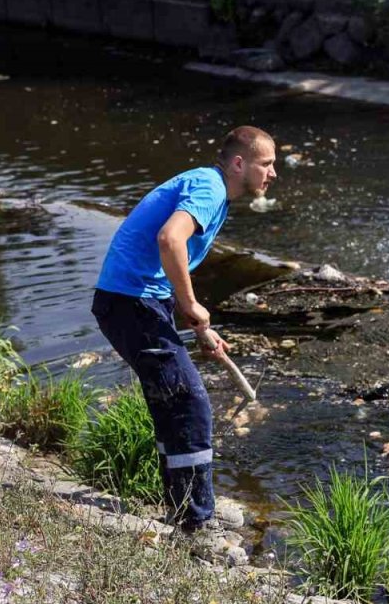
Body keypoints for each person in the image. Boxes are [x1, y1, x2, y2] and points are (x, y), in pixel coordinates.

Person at [91, 125, 277, 533]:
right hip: (129, 302)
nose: (273, 173)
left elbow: (162, 269)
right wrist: (192, 303)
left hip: (135, 301)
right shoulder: (210, 188)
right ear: (239, 163)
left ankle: (182, 512)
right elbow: (170, 239)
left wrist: (196, 327)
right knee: (190, 405)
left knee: (173, 404)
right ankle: (197, 523)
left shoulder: (211, 190)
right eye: (267, 163)